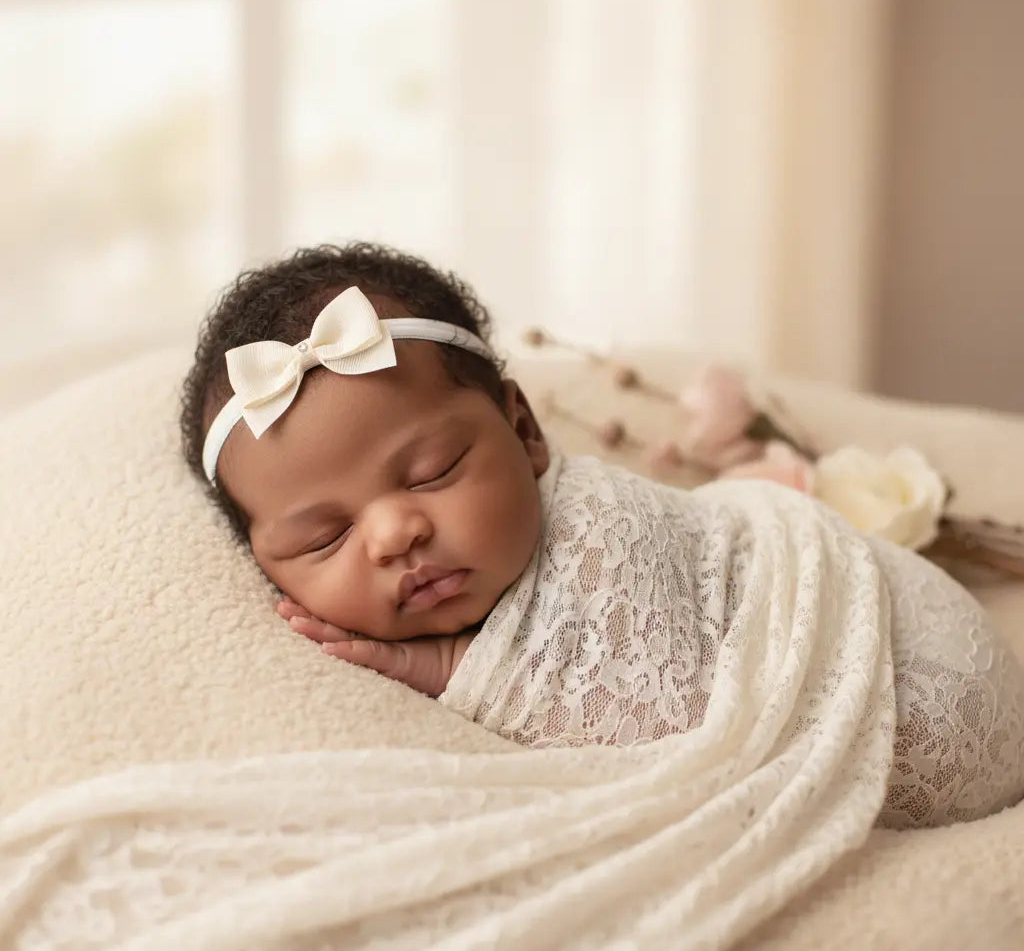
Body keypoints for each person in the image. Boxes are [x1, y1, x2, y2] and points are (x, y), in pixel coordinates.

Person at [180, 242, 1024, 827]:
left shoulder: (600, 524)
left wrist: (450, 670)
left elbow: (664, 716)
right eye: (325, 538)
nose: (395, 533)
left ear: (523, 430)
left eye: (433, 471)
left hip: (921, 668)